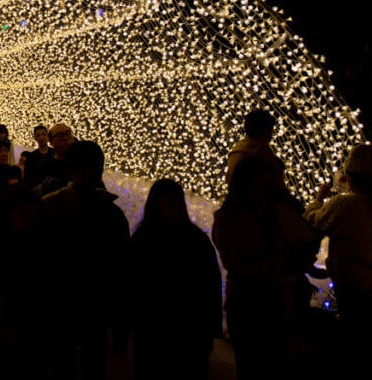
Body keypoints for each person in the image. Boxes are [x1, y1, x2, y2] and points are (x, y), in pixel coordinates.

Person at [212, 157, 315, 380]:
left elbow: (304, 246)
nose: (266, 190)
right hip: (249, 308)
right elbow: (239, 267)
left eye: (270, 184)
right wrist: (285, 260)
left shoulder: (278, 213)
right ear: (244, 184)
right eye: (260, 184)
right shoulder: (228, 219)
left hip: (283, 307)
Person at [303, 145, 372, 372]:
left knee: (355, 344)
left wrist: (319, 199)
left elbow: (312, 220)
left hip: (352, 289)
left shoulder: (343, 205)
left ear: (349, 177)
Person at [42, 141, 130, 380]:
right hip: (76, 302)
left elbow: (121, 266)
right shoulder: (110, 213)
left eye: (95, 168)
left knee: (75, 362)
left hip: (81, 303)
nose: (91, 173)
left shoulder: (52, 206)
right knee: (77, 362)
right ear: (73, 170)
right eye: (85, 168)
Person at [129, 179, 222, 380]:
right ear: (157, 205)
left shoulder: (196, 240)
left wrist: (210, 325)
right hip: (155, 333)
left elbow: (211, 284)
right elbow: (132, 285)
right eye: (170, 203)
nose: (177, 208)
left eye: (179, 202)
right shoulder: (144, 241)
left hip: (189, 333)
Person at [0, 186, 56, 378]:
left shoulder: (44, 249)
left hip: (33, 335)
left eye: (33, 216)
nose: (29, 222)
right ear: (9, 215)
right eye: (23, 215)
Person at [226, 109, 286, 188]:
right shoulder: (260, 151)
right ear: (264, 131)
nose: (271, 136)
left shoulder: (239, 148)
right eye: (270, 131)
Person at [30, 122, 76, 194]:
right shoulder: (44, 167)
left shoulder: (81, 163)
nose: (65, 138)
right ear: (51, 141)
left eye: (68, 133)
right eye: (59, 135)